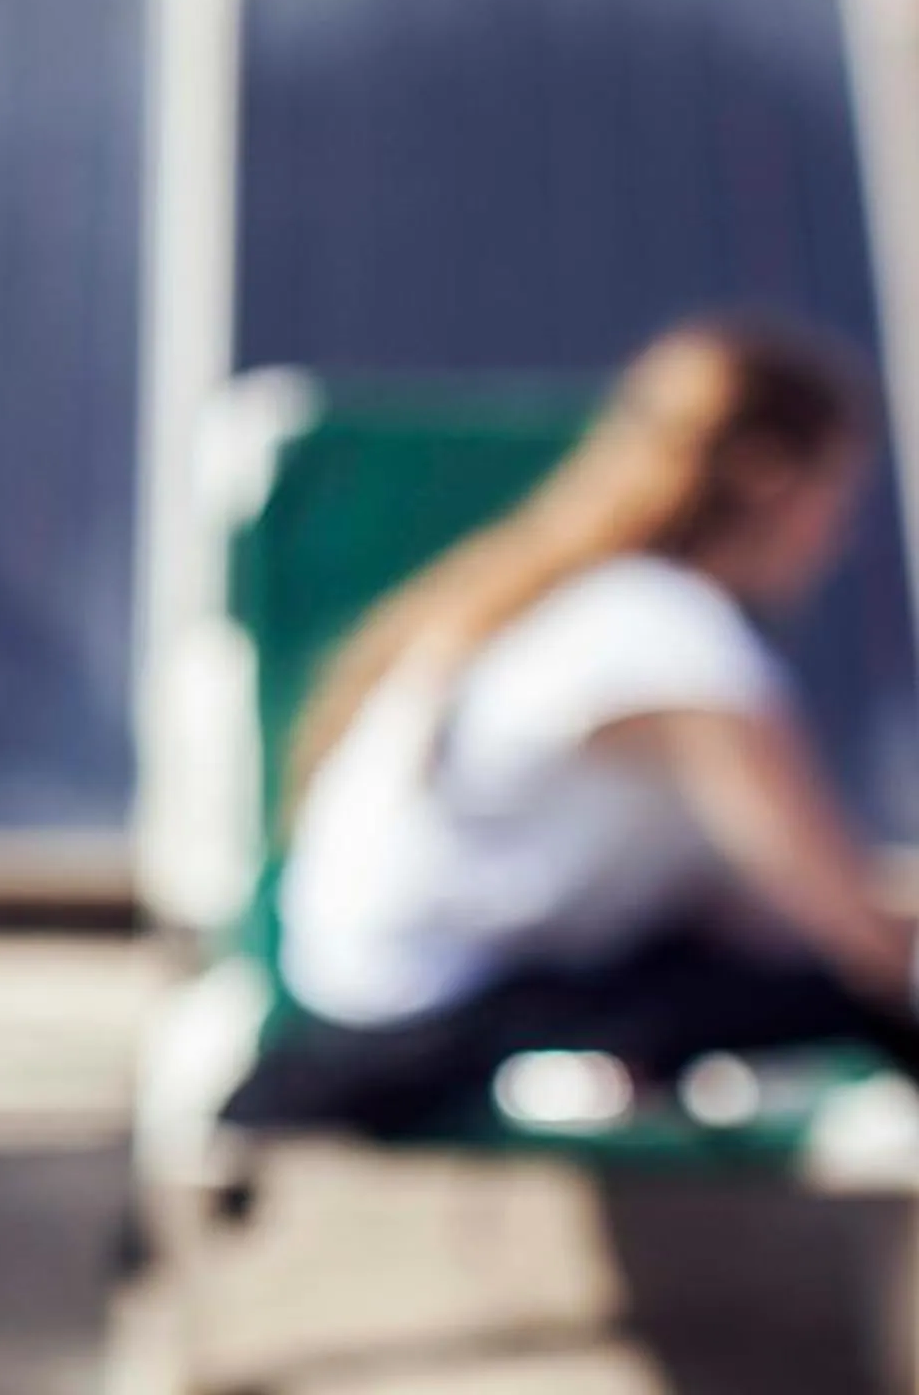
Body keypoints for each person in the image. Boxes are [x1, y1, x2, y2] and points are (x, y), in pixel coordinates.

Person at [223, 318, 919, 1141]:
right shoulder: (673, 637)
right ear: (771, 480)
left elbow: (748, 908)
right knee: (858, 999)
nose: (841, 534)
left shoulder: (584, 607)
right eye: (836, 494)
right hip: (420, 1029)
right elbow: (834, 916)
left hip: (358, 1009)